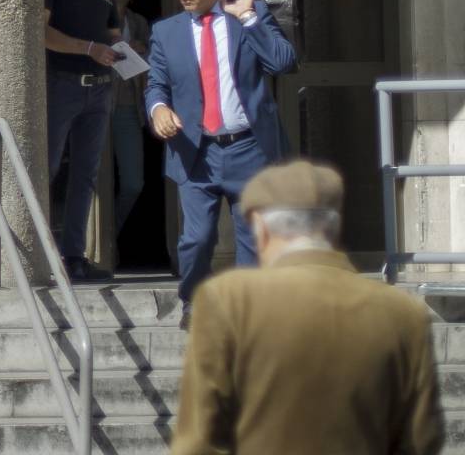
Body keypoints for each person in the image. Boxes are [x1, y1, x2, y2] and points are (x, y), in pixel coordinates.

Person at [170, 160, 444, 455]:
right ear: (333, 228)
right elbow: (420, 439)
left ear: (261, 228)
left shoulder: (227, 302)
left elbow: (198, 441)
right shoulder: (403, 313)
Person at [145, 0, 296, 323]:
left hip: (249, 146)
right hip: (196, 151)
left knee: (252, 239)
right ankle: (193, 301)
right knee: (197, 238)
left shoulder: (249, 16)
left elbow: (283, 62)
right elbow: (156, 84)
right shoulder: (166, 31)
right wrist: (158, 109)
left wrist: (247, 17)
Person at [42, 0, 123, 282]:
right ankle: (40, 255)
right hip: (62, 84)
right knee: (48, 168)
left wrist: (124, 50)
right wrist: (87, 48)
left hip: (101, 87)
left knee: (86, 175)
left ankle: (74, 256)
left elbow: (111, 29)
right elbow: (40, 32)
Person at [107, 0, 152, 235]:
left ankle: (110, 235)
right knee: (92, 180)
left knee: (133, 183)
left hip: (127, 108)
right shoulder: (96, 18)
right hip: (97, 105)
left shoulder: (140, 24)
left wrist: (143, 49)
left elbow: (154, 66)